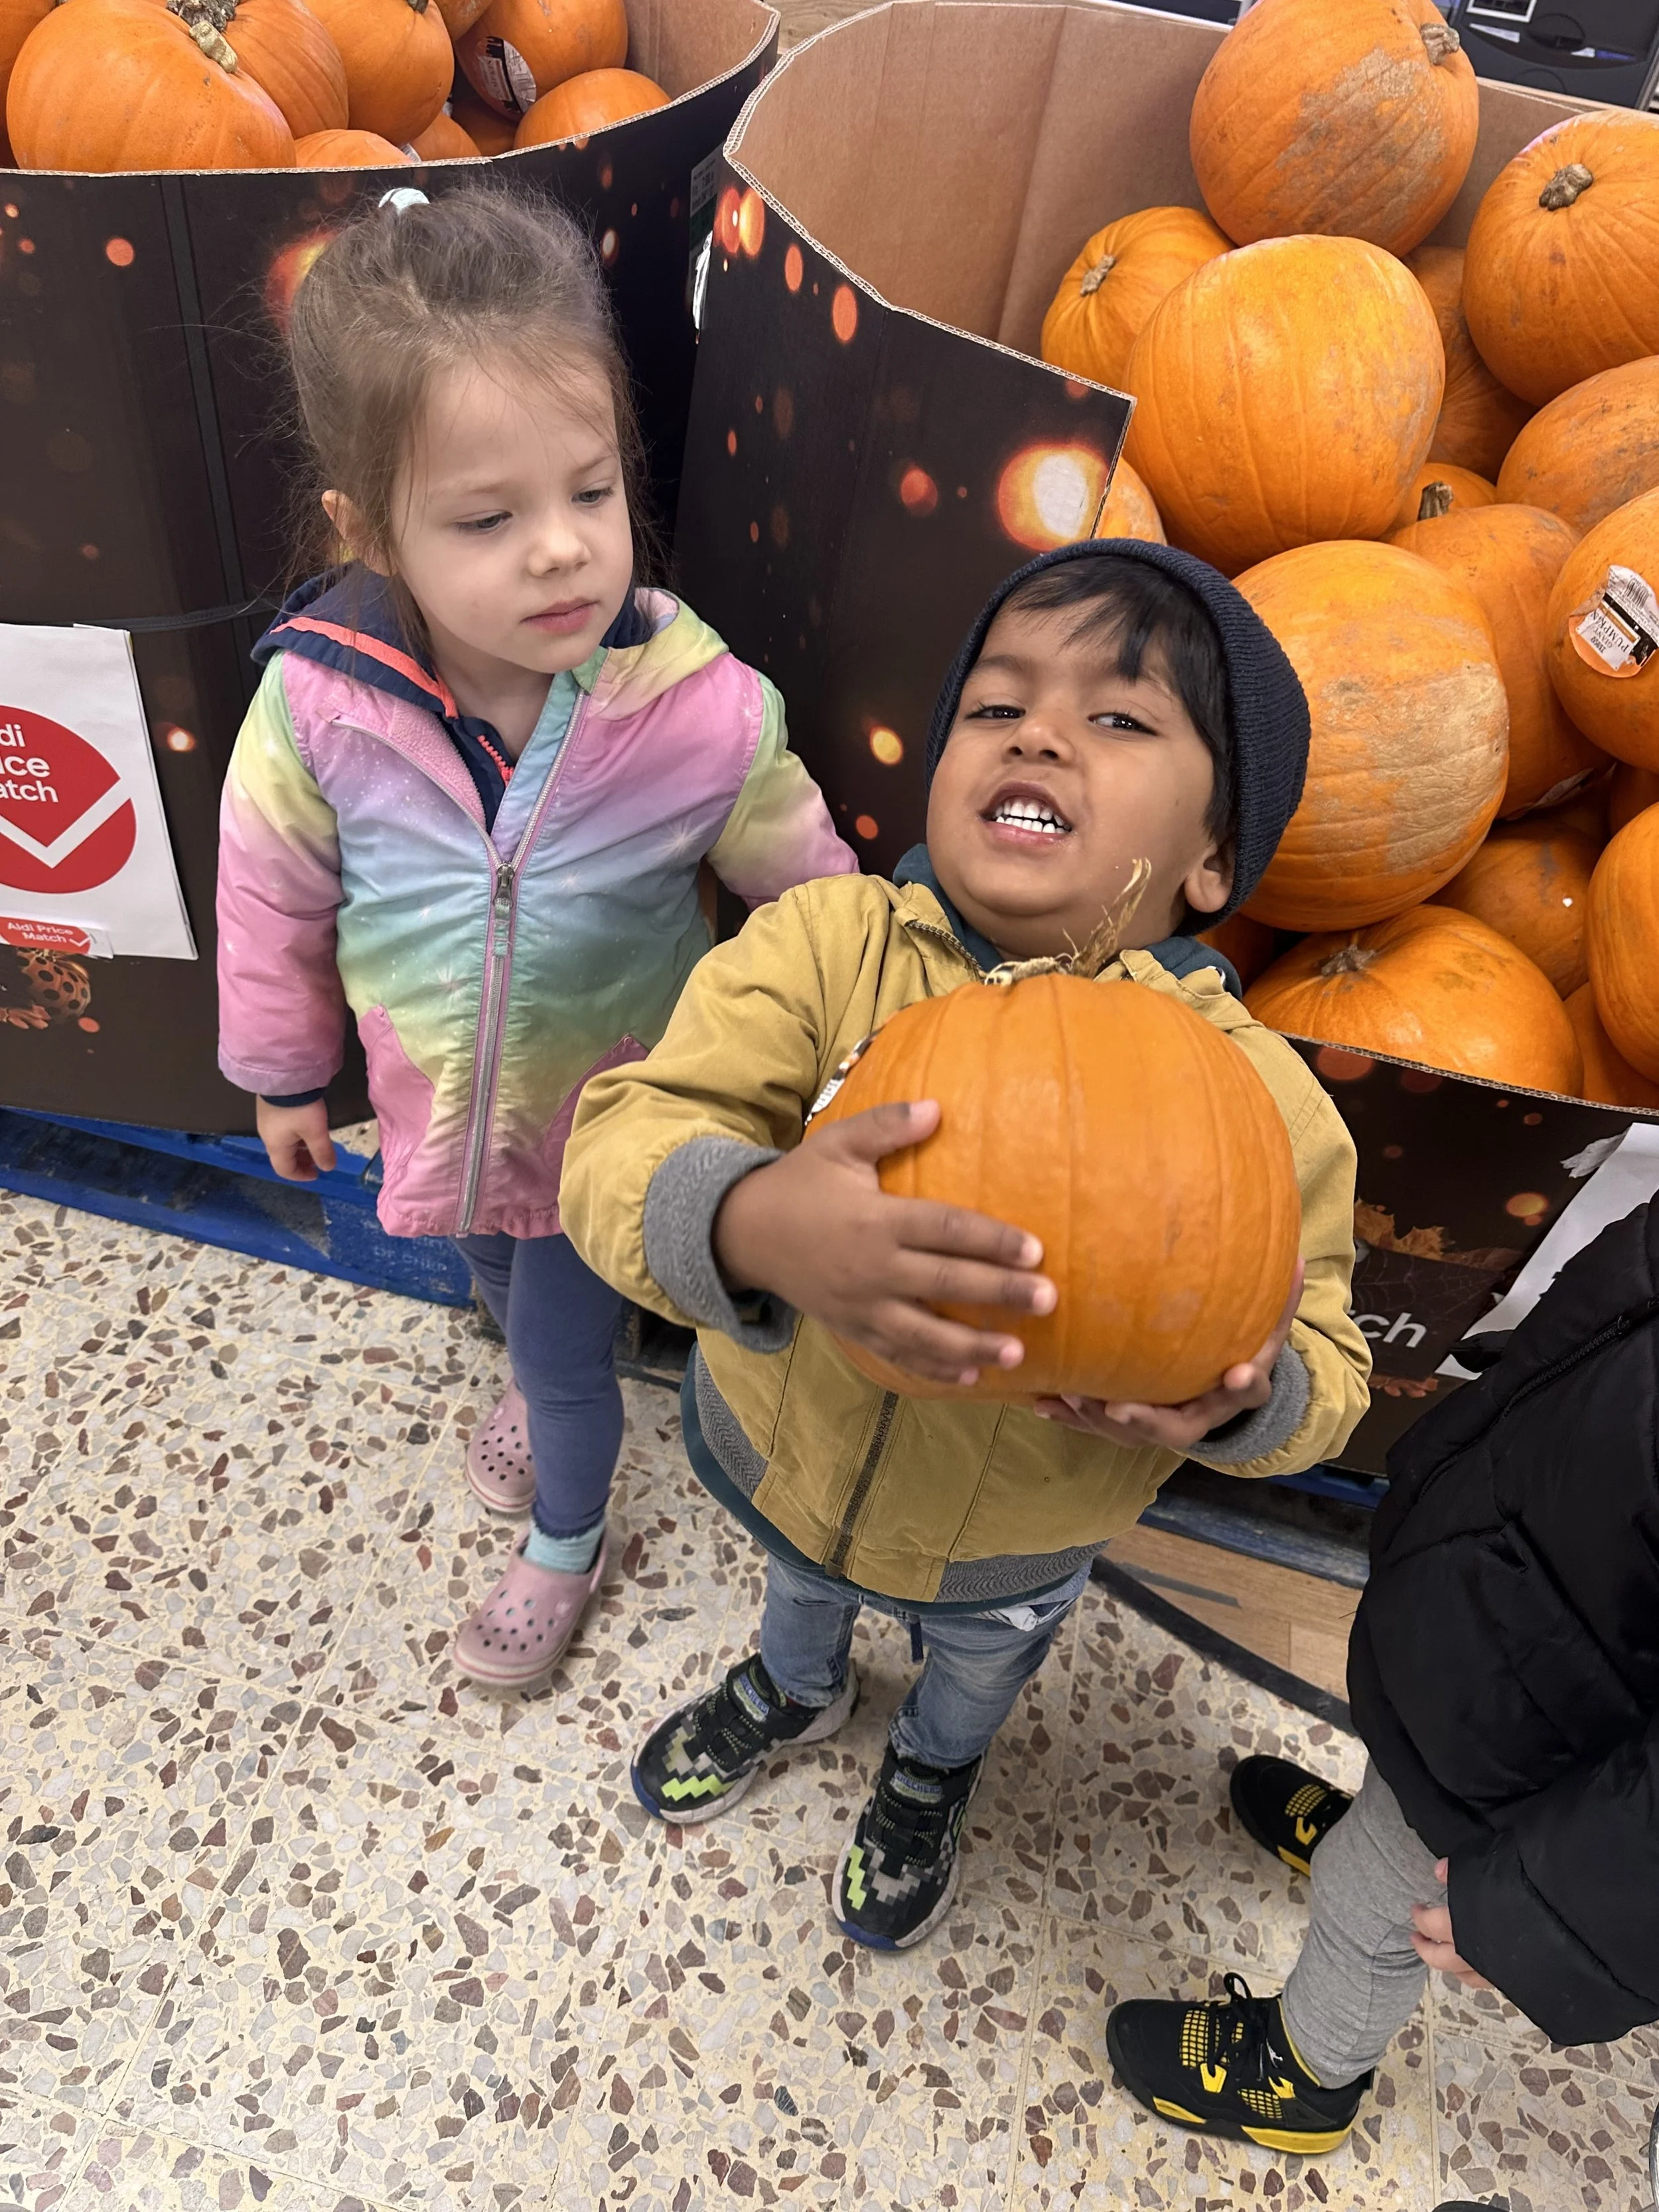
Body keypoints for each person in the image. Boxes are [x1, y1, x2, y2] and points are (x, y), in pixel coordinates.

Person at [561, 540, 1372, 1951]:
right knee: (799, 1591)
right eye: (995, 708)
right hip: (788, 1455)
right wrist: (751, 1218)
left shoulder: (1253, 1094)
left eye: (1118, 720)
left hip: (1019, 1538)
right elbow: (615, 1143)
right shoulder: (825, 948)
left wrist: (1245, 1395)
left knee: (979, 1664)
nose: (1040, 732)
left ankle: (932, 1767)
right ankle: (789, 1686)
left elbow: (1329, 1361)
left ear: (1210, 858)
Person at [215, 188, 854, 1690]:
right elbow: (270, 892)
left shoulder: (696, 709)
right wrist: (284, 1073)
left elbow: (808, 890)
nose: (563, 552)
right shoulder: (321, 705)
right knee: (488, 1275)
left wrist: (858, 1030)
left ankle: (567, 1534)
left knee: (566, 1350)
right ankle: (528, 1372)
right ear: (367, 532)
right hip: (429, 1100)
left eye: (591, 490)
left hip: (609, 1125)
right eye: (489, 521)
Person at [1105, 1197, 1659, 2158]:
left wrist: (1551, 1906)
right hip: (1527, 1621)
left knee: (1381, 1903)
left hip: (1566, 1743)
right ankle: (1369, 1837)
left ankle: (1306, 2075)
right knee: (1412, 1768)